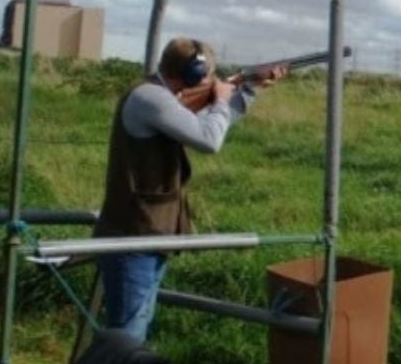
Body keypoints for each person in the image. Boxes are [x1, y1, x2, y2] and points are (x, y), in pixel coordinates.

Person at [92, 37, 286, 342]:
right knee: (125, 336)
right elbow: (209, 139)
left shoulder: (159, 96)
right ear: (192, 74)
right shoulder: (151, 98)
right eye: (207, 74)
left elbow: (208, 126)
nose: (211, 80)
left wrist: (249, 89)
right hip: (133, 234)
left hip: (149, 232)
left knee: (134, 328)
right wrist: (221, 99)